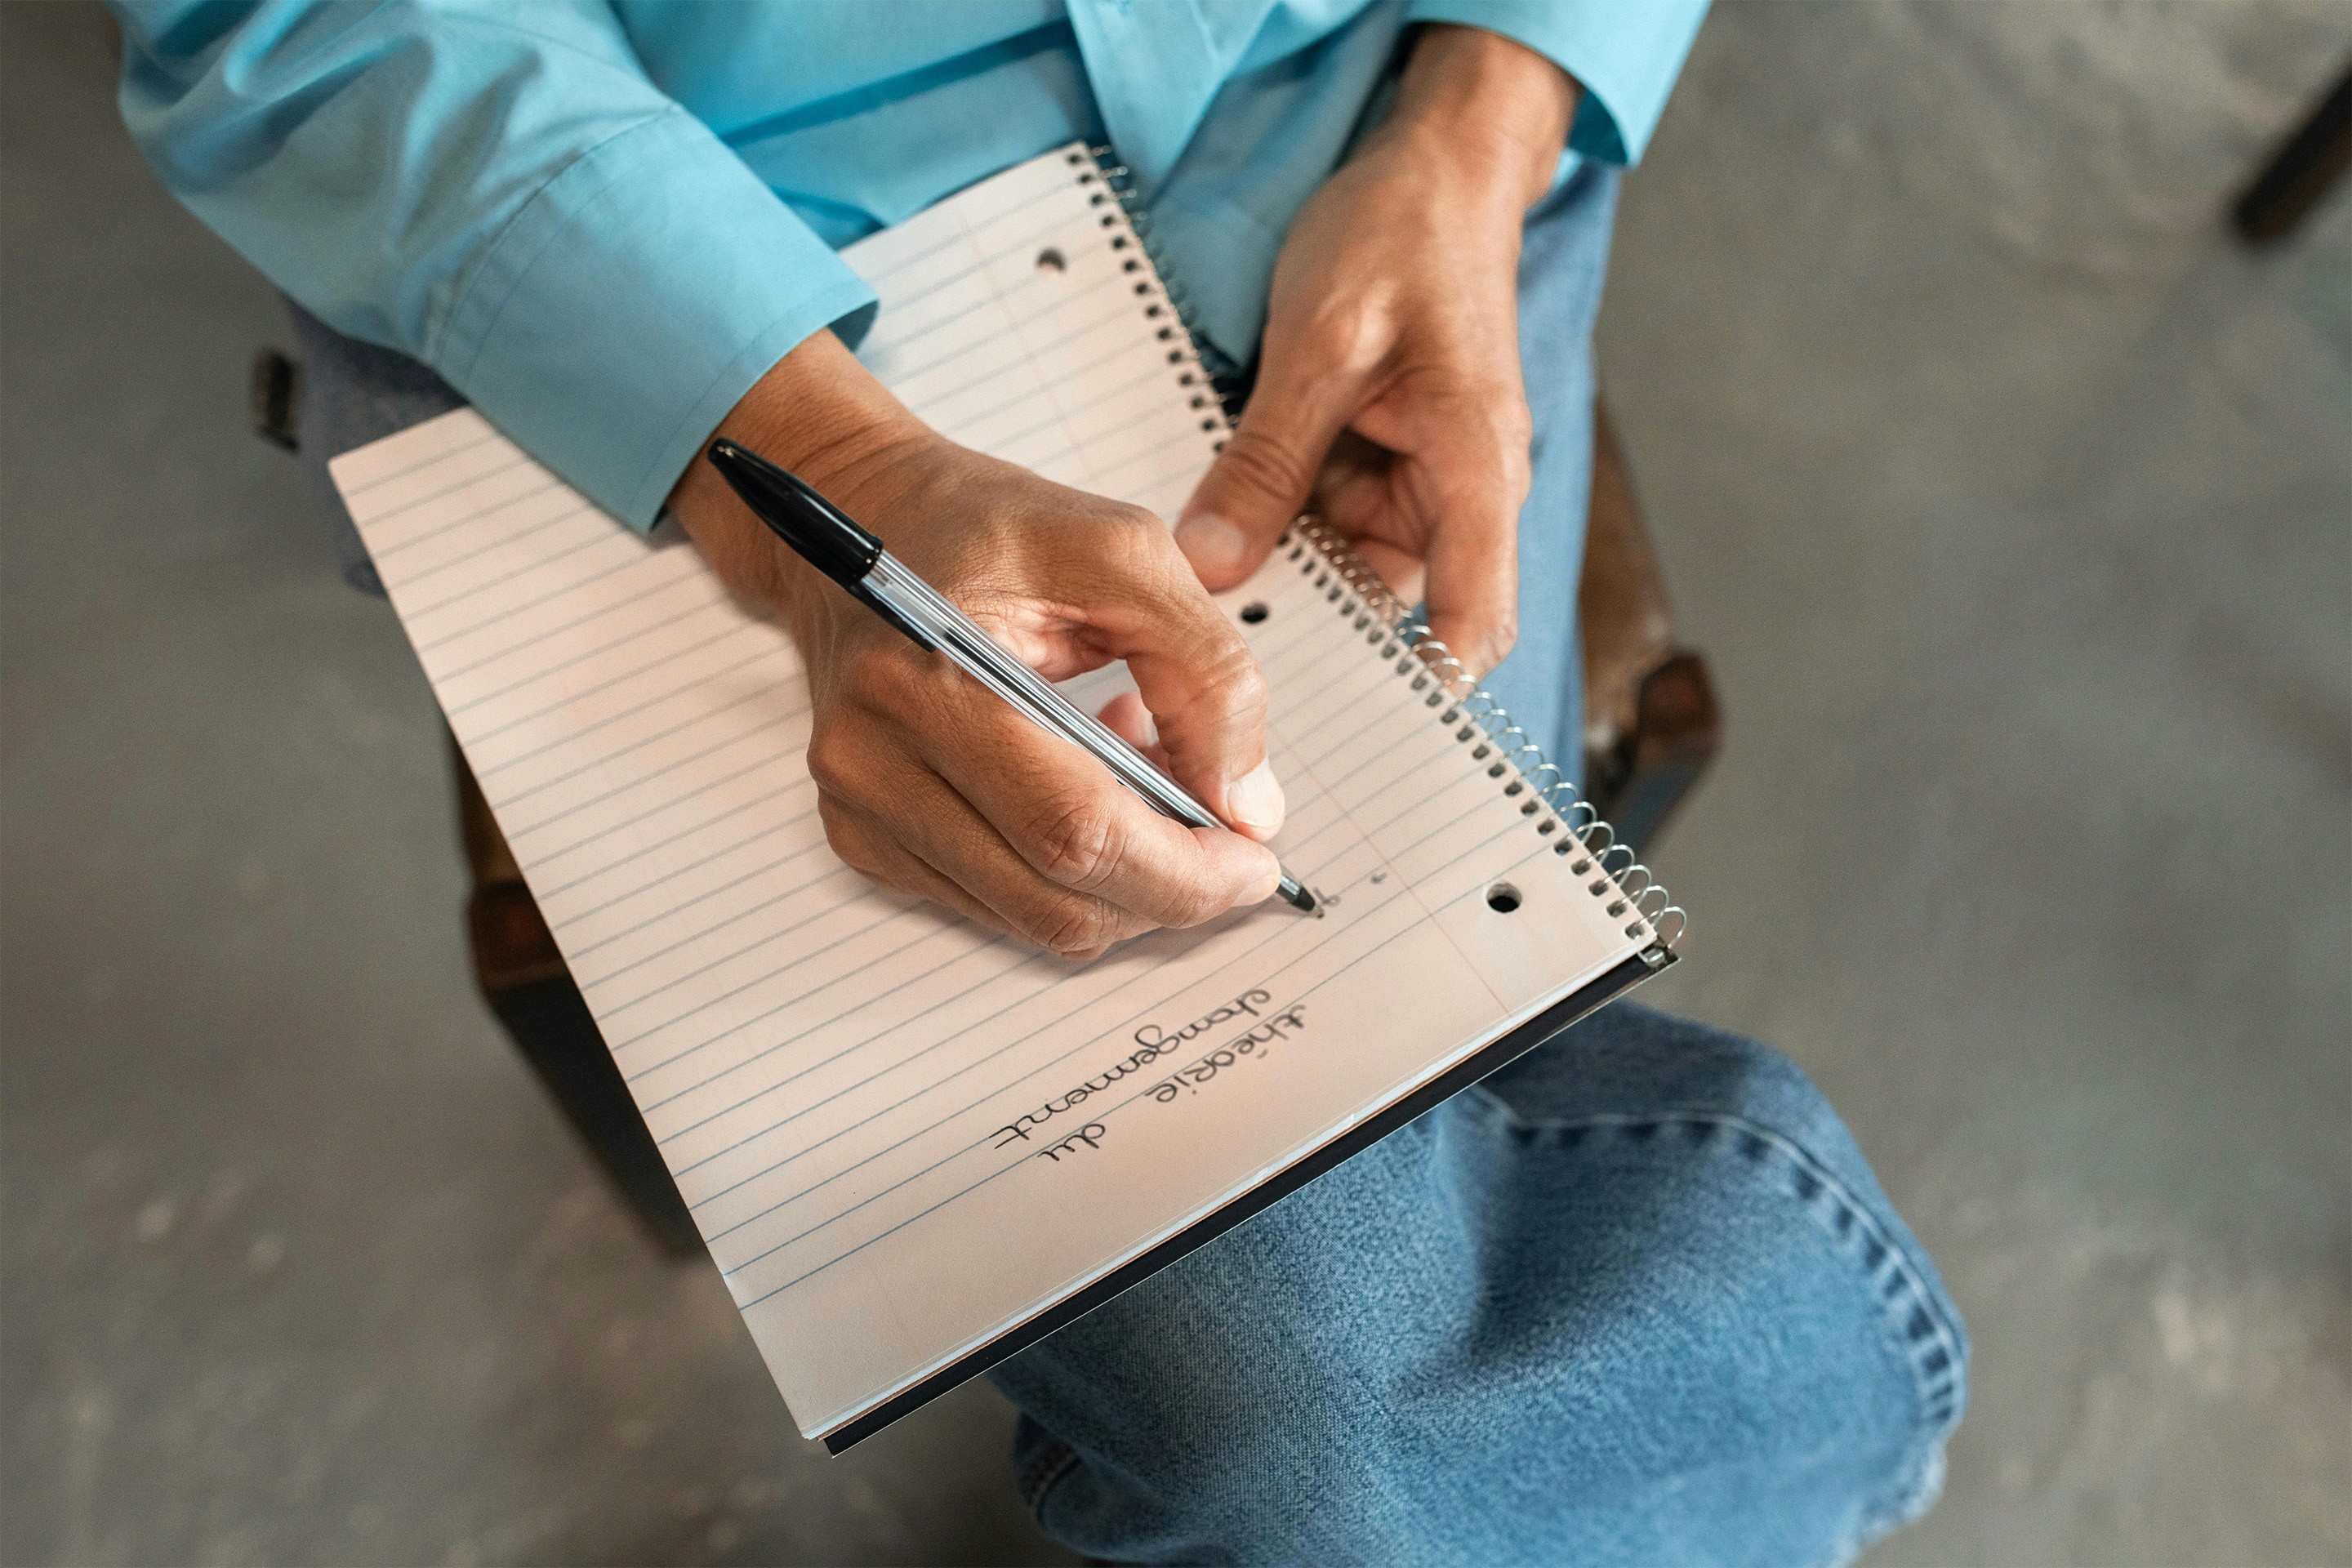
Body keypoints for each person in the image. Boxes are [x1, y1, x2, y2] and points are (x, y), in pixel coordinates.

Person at [113, 3, 1967, 1561]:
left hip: (1357, 138)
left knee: (1317, 1446)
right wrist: (814, 469)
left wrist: (1486, 113)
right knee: (1304, 1446)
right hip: (678, 277)